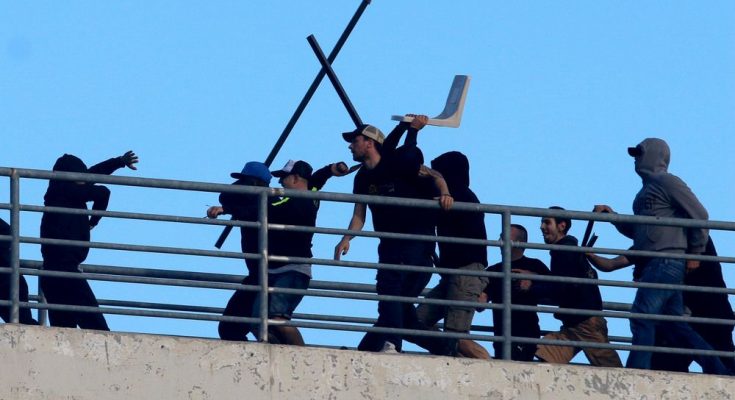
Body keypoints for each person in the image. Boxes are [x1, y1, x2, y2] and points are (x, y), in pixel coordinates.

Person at [594, 138, 730, 374]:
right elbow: (642, 231)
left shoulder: (667, 181)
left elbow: (700, 214)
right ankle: (719, 369)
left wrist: (696, 253)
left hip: (665, 262)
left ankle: (637, 372)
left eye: (639, 153)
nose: (636, 159)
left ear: (654, 155)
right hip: (659, 263)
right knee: (677, 326)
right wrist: (613, 217)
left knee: (642, 316)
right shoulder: (646, 191)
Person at [334, 117, 453, 353]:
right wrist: (346, 238)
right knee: (396, 308)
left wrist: (445, 193)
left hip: (416, 244)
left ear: (369, 143)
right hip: (389, 245)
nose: (350, 146)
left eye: (355, 140)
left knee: (391, 297)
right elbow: (359, 214)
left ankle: (389, 346)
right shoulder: (362, 177)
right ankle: (445, 348)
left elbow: (434, 175)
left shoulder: (399, 164)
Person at [210, 159, 349, 344]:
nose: (280, 182)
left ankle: (302, 355)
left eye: (284, 177)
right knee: (257, 321)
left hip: (291, 269)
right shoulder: (310, 193)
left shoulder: (284, 201)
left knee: (275, 318)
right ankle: (278, 351)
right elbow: (315, 180)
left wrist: (228, 209)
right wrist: (330, 169)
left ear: (296, 178)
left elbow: (262, 209)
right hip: (273, 270)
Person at [587, 236, 735, 373]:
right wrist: (589, 254)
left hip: (709, 314)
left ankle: (637, 372)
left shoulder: (691, 238)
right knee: (665, 367)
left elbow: (612, 264)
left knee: (721, 365)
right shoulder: (652, 242)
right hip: (681, 319)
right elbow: (611, 264)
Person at [40, 151, 139, 330]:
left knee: (63, 332)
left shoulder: (62, 190)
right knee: (97, 329)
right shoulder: (63, 191)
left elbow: (93, 173)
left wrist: (119, 162)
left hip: (54, 272)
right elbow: (102, 192)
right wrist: (93, 221)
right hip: (64, 271)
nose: (83, 179)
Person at [410, 151, 489, 357]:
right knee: (415, 323)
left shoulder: (460, 195)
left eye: (438, 172)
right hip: (453, 275)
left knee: (457, 336)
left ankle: (491, 366)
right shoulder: (459, 194)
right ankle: (452, 355)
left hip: (465, 273)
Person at [533, 207, 622, 367]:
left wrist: (531, 287)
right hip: (577, 323)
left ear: (562, 226)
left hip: (584, 322)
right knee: (546, 352)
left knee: (611, 368)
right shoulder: (569, 251)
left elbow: (563, 287)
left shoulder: (564, 251)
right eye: (542, 222)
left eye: (547, 222)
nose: (541, 227)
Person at [208, 161, 272, 341]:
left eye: (245, 181)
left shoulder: (269, 203)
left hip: (268, 275)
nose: (240, 185)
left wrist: (228, 209)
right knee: (232, 327)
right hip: (257, 275)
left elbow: (253, 210)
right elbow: (225, 196)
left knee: (233, 327)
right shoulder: (247, 202)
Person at [480, 224, 549, 361]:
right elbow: (481, 303)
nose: (499, 241)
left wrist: (533, 279)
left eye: (504, 237)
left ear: (519, 242)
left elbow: (556, 288)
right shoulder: (494, 270)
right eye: (500, 237)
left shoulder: (535, 265)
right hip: (501, 338)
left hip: (526, 335)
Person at [0, 218, 37, 324]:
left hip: (7, 281)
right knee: (22, 323)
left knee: (23, 322)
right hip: (8, 280)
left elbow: (7, 233)